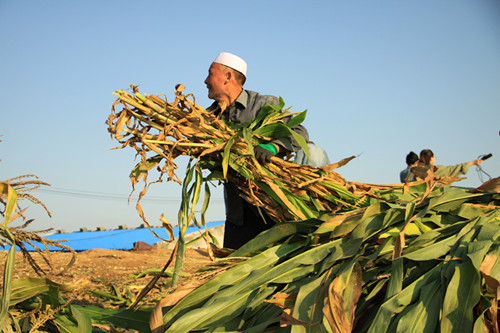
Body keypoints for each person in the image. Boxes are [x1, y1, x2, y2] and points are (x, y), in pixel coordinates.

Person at [204, 52, 309, 249]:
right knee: (233, 273)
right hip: (238, 215)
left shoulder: (263, 105)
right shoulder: (209, 118)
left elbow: (300, 132)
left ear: (228, 76)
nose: (205, 80)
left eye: (210, 74)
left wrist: (273, 146)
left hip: (271, 208)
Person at [417, 149, 484, 178]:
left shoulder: (415, 171)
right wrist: (473, 162)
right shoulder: (437, 170)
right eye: (434, 157)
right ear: (431, 158)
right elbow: (455, 169)